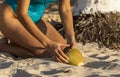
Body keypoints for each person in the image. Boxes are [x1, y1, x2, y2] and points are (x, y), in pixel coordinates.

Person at [0, 0, 76, 63]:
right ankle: (4, 47)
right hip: (12, 16)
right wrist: (47, 43)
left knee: (63, 51)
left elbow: (65, 9)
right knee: (47, 54)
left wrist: (71, 37)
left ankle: (18, 40)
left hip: (35, 20)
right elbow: (22, 13)